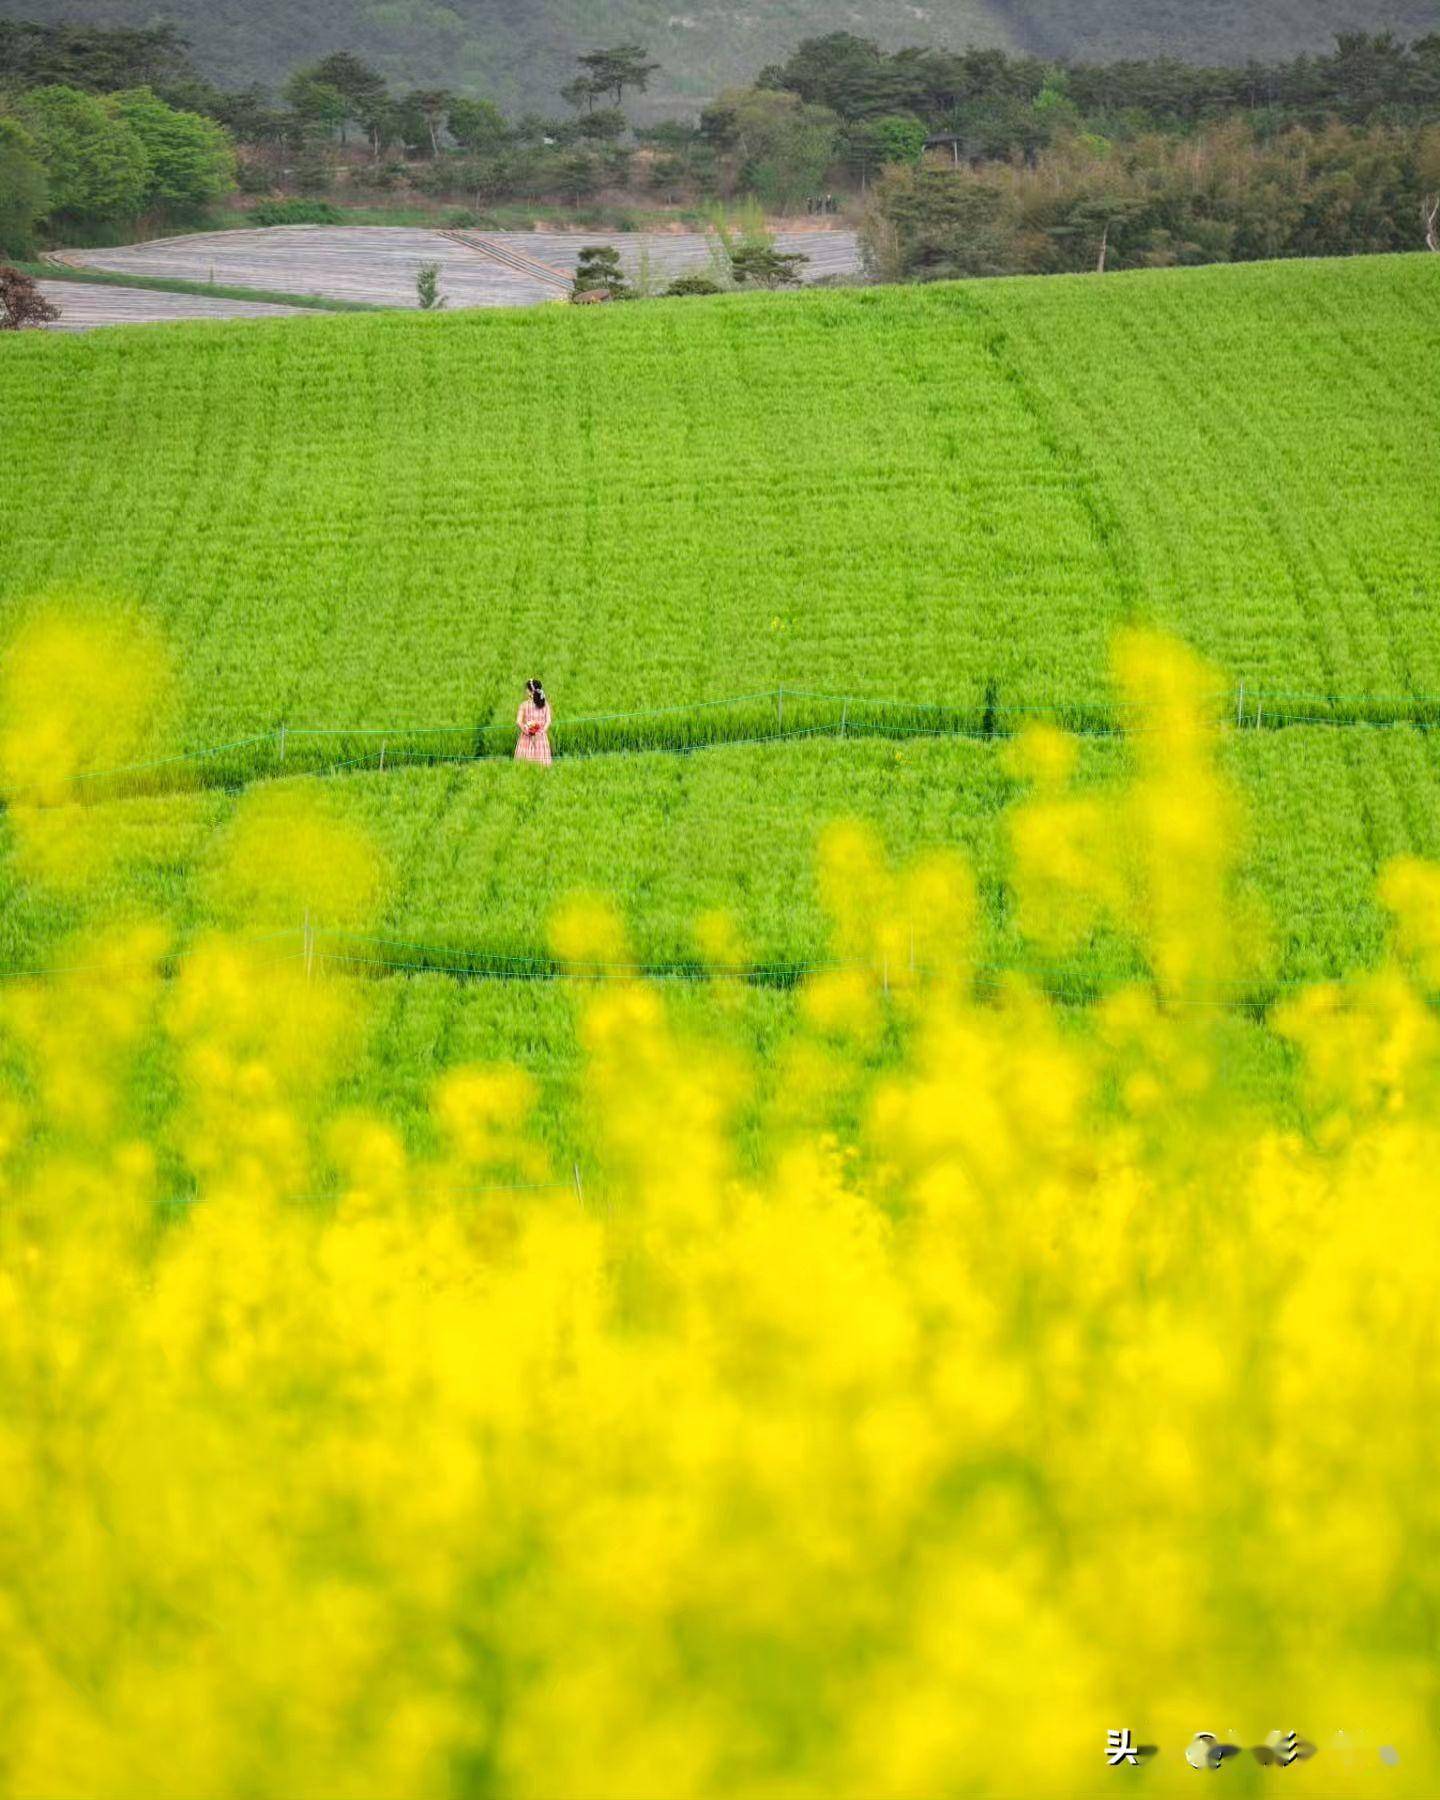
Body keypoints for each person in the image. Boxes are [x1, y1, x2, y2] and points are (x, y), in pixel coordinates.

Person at [515, 678, 552, 765]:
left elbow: (518, 721)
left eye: (527, 689)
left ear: (529, 691)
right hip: (541, 738)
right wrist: (541, 732)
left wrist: (527, 731)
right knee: (542, 763)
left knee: (524, 763)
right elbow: (548, 721)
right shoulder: (545, 704)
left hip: (526, 737)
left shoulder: (524, 705)